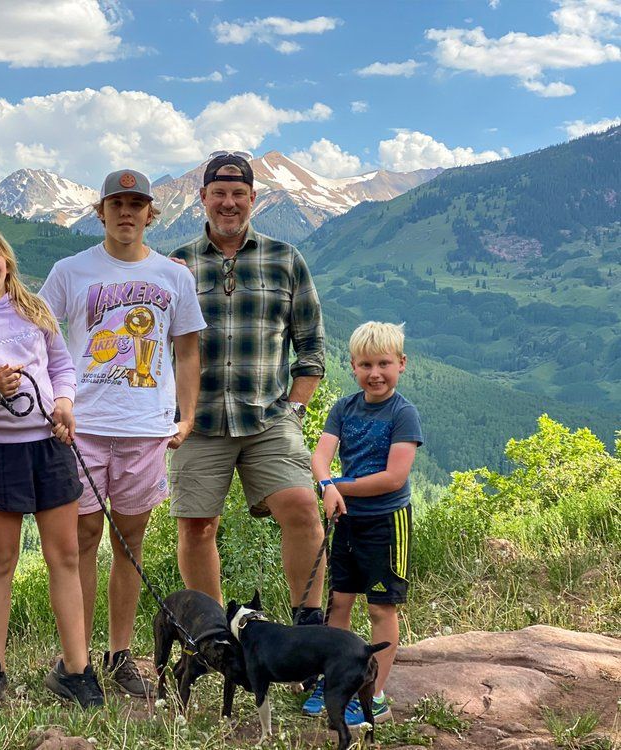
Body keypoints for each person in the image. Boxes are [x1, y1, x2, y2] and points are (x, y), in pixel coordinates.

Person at [39, 169, 205, 697]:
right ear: (101, 211)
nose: (127, 213)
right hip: (81, 428)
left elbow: (187, 349)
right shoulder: (71, 270)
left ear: (151, 213)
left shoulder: (173, 276)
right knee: (82, 541)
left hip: (144, 429)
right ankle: (78, 657)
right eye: (117, 204)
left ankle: (120, 654)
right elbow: (39, 333)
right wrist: (50, 401)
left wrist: (187, 415)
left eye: (137, 204)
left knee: (129, 542)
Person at [0, 225, 104, 709]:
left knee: (66, 556)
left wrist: (64, 404)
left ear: (7, 261)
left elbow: (63, 366)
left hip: (49, 444)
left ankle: (76, 670)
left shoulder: (35, 309)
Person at [169, 152, 327, 623]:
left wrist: (295, 409)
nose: (229, 203)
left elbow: (312, 346)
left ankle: (308, 629)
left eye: (238, 194)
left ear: (253, 199)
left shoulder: (285, 259)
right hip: (199, 422)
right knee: (197, 528)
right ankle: (215, 636)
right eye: (219, 193)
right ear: (202, 199)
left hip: (268, 416)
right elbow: (156, 350)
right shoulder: (177, 266)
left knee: (301, 509)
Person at [306, 321, 423, 725]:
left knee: (380, 608)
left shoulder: (404, 414)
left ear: (402, 364)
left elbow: (394, 478)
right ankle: (334, 678)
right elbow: (319, 456)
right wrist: (325, 484)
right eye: (366, 364)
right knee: (339, 602)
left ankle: (375, 694)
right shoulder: (343, 408)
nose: (375, 373)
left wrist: (337, 486)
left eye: (384, 364)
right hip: (348, 520)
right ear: (353, 366)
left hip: (388, 524)